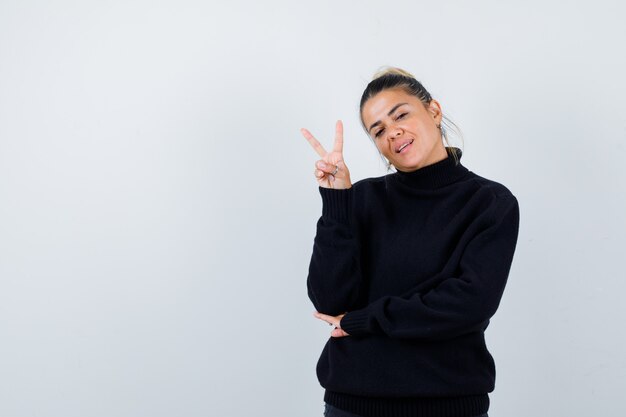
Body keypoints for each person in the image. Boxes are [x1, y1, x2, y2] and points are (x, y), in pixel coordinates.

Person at [300, 67, 520, 417]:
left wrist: (363, 320)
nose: (393, 132)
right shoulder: (361, 200)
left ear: (433, 110)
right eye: (379, 130)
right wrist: (337, 201)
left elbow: (468, 304)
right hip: (351, 404)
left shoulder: (489, 202)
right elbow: (329, 300)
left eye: (400, 114)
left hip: (448, 405)